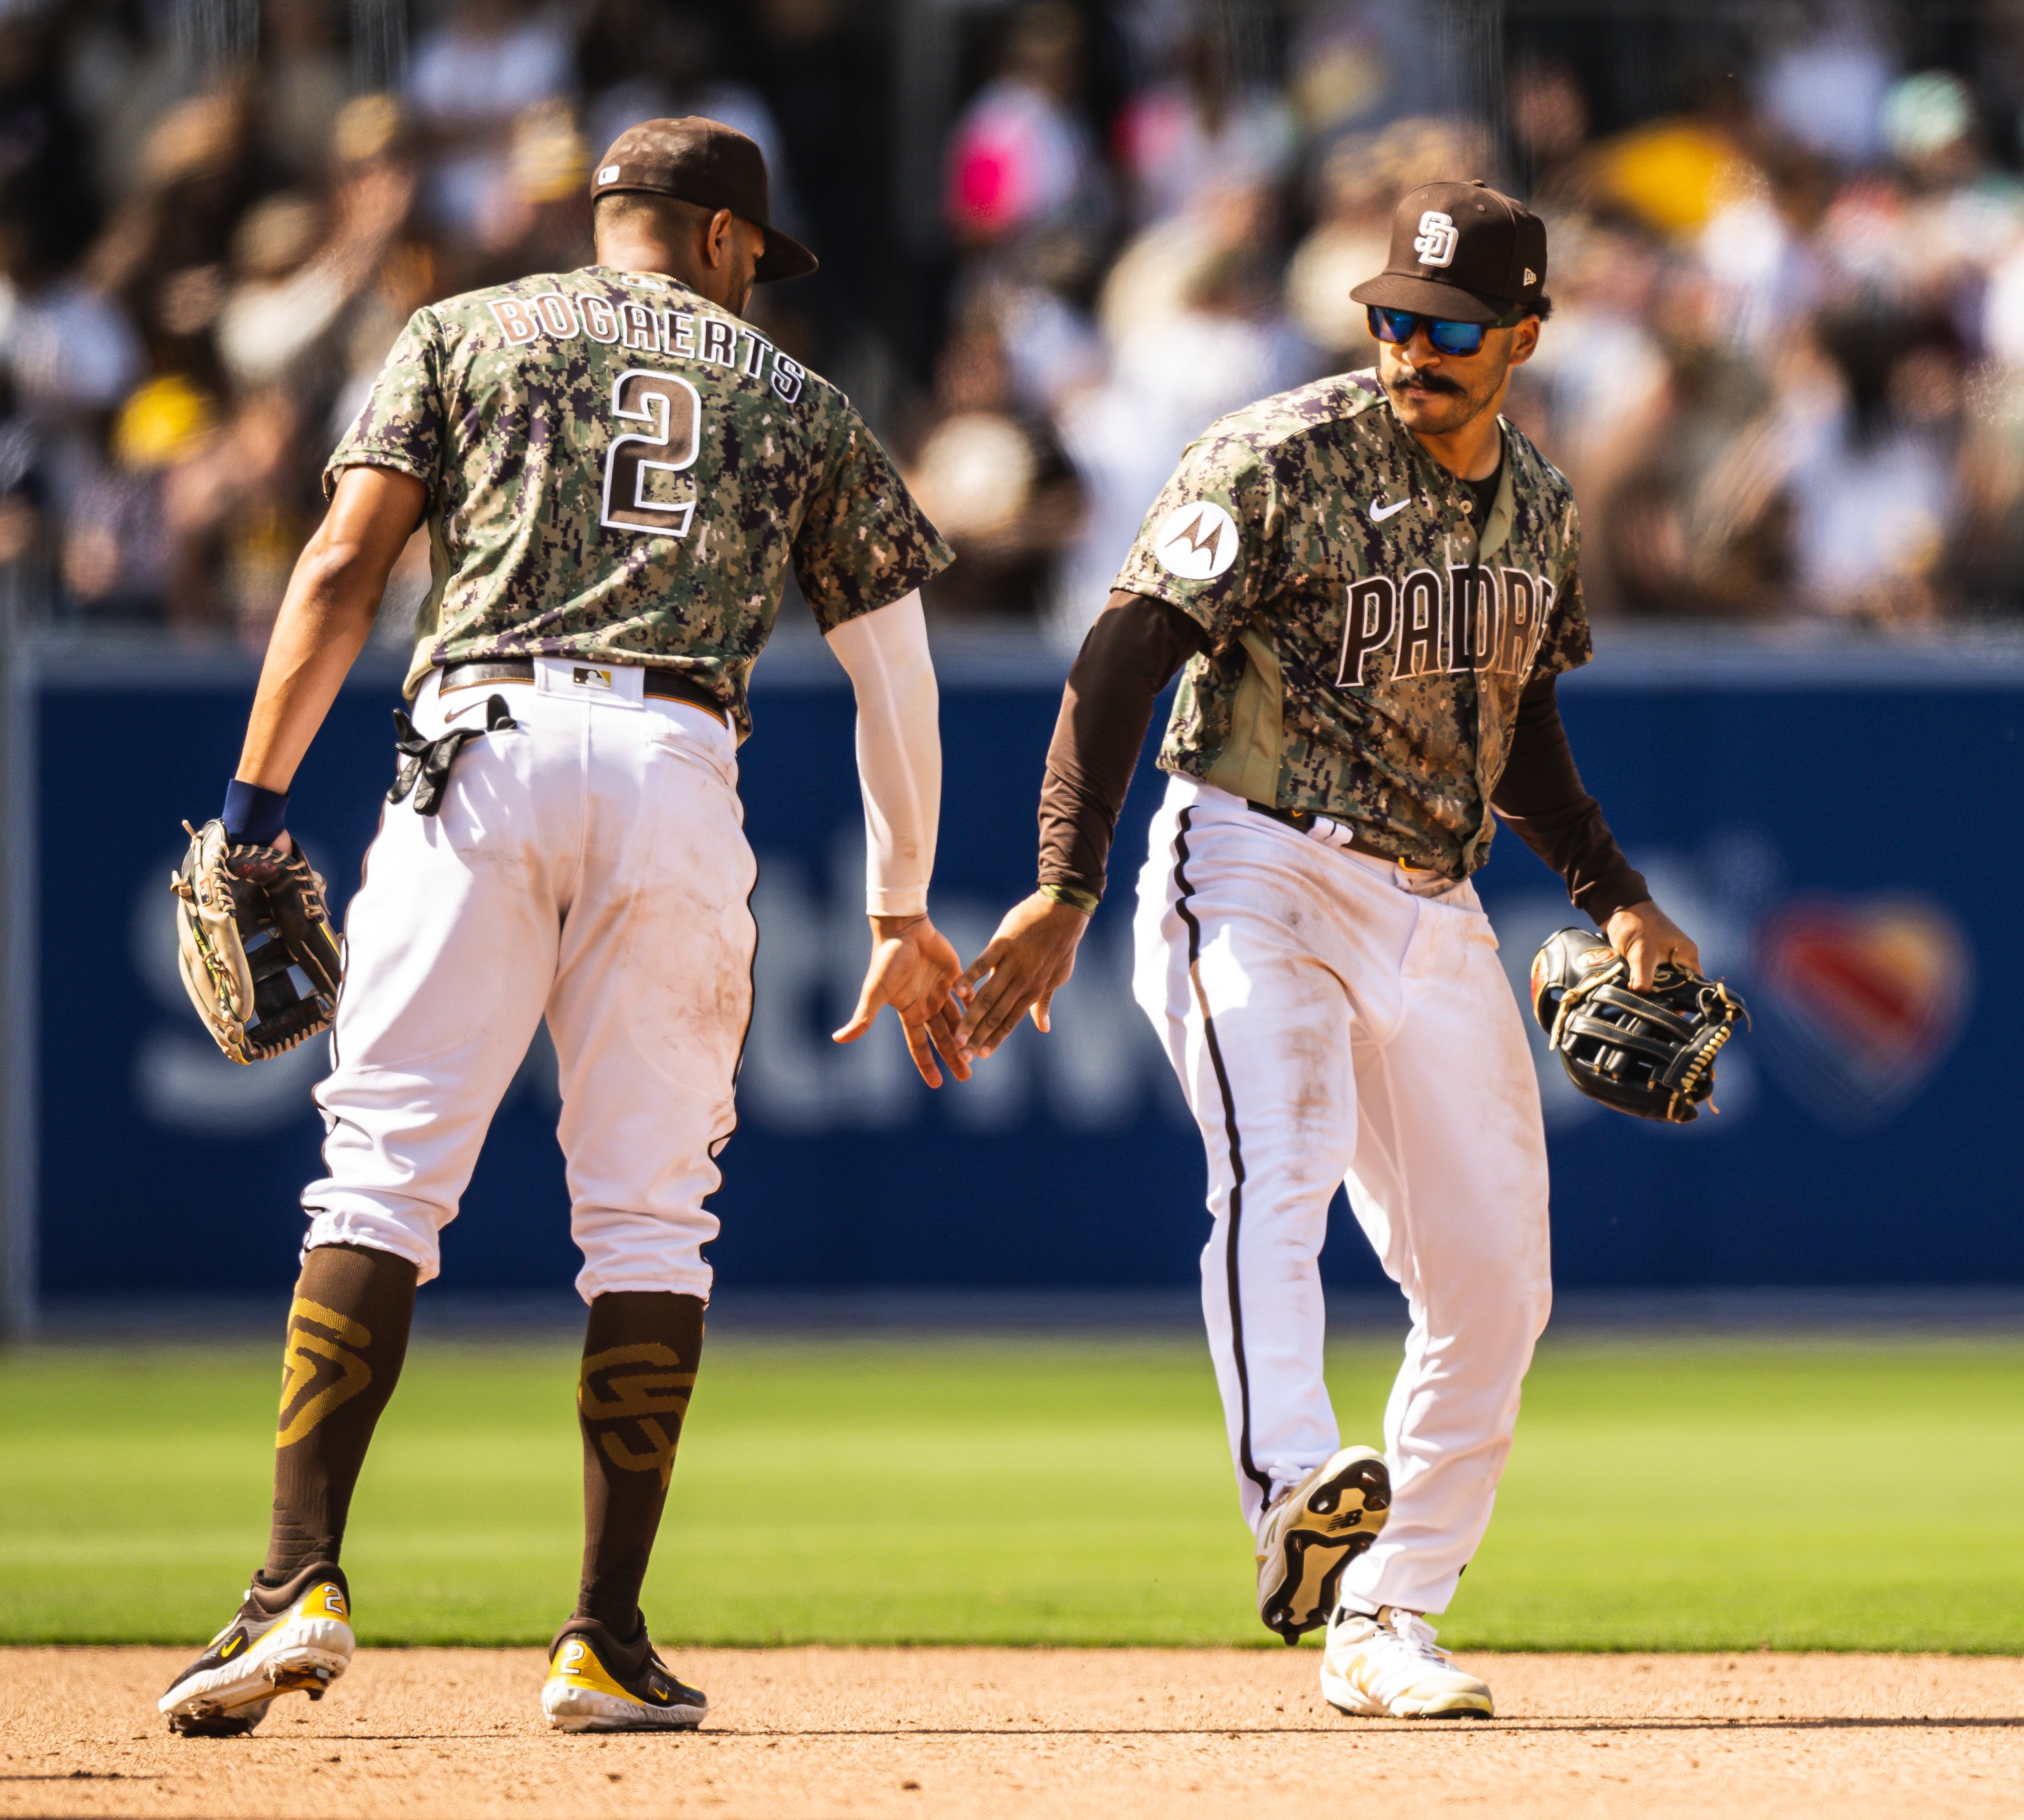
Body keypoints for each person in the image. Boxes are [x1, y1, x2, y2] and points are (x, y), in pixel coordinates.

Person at [156, 117, 964, 1739]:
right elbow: (898, 677)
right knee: (652, 1219)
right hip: (675, 768)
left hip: (481, 748)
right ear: (726, 239)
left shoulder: (459, 331)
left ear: (608, 218)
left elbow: (334, 571)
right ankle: (600, 1639)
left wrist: (252, 805)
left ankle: (292, 1585)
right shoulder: (791, 394)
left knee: (381, 1167)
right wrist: (896, 904)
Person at [961, 181, 1701, 1720]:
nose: (1410, 347)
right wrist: (1061, 881)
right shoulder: (1275, 454)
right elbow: (1121, 655)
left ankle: (1387, 1611)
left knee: (1496, 1285)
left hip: (1432, 903)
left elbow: (1517, 729)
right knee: (1277, 1159)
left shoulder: (1543, 509)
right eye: (1390, 317)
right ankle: (1295, 1486)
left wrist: (1610, 892)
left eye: (1446, 327)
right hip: (1247, 859)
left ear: (1523, 335)